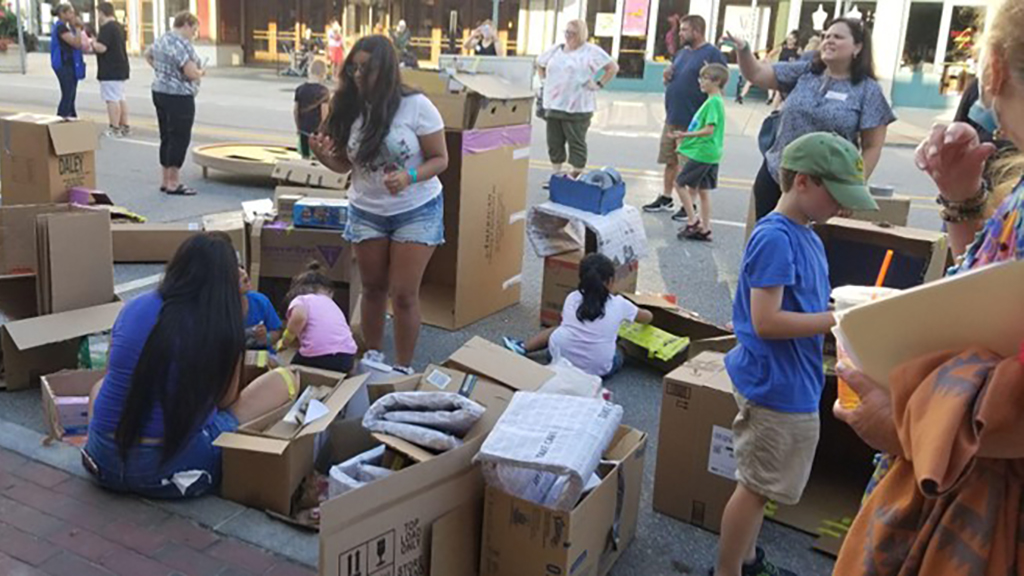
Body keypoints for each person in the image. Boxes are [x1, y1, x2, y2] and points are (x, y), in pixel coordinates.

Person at [832, 0, 1024, 570]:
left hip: (979, 513)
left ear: (990, 69)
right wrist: (962, 197)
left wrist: (903, 424)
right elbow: (992, 296)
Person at [716, 133, 878, 576]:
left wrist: (836, 315)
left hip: (792, 379)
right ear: (803, 181)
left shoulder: (806, 234)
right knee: (754, 489)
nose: (843, 208)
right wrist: (839, 319)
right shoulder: (776, 238)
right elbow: (767, 321)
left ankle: (747, 561)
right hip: (775, 385)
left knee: (761, 488)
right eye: (837, 196)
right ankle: (729, 570)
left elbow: (800, 307)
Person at [83, 234, 296, 498]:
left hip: (102, 461)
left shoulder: (134, 307)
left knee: (100, 386)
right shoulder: (220, 323)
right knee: (284, 380)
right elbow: (225, 400)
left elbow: (117, 374)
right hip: (173, 471)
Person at [309, 35, 448, 375]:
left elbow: (440, 159)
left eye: (366, 69)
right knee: (372, 288)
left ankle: (402, 366)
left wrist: (409, 176)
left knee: (403, 294)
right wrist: (322, 156)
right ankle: (373, 356)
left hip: (417, 209)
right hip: (367, 210)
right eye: (354, 68)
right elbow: (345, 165)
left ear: (385, 70)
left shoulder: (416, 106)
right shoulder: (347, 105)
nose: (358, 75)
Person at [726, 18, 896, 222]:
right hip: (776, 177)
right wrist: (744, 50)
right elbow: (756, 74)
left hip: (823, 189)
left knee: (804, 250)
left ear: (858, 47)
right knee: (770, 244)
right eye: (826, 36)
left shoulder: (868, 90)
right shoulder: (806, 72)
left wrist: (853, 186)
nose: (829, 40)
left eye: (838, 37)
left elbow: (872, 146)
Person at [502, 253, 653, 378]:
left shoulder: (572, 298)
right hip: (597, 369)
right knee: (621, 349)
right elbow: (647, 317)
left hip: (558, 358)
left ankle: (523, 347)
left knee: (557, 329)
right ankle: (620, 351)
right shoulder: (620, 304)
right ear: (611, 281)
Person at [643, 14, 727, 219]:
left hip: (693, 120)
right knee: (670, 159)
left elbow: (721, 84)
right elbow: (673, 78)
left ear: (696, 31)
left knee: (688, 165)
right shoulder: (681, 53)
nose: (680, 33)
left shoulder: (712, 54)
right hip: (673, 115)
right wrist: (666, 77)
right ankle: (666, 197)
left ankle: (690, 205)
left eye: (684, 29)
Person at [536, 19, 619, 178]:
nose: (568, 36)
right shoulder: (556, 49)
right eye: (566, 32)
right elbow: (540, 63)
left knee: (576, 142)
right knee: (554, 142)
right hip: (554, 104)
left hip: (578, 106)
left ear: (581, 34)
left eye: (572, 33)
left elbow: (612, 68)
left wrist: (598, 84)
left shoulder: (591, 51)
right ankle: (557, 174)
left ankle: (576, 174)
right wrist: (544, 82)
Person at [146, 11, 204, 196]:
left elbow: (148, 55)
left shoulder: (162, 39)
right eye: (193, 30)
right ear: (186, 24)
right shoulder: (181, 44)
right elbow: (190, 72)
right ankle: (173, 182)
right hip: (179, 95)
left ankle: (164, 180)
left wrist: (162, 71)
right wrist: (201, 73)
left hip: (159, 91)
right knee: (179, 138)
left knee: (166, 136)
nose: (193, 35)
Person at [673, 63, 729, 242]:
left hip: (703, 152)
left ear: (717, 81)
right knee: (704, 191)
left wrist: (684, 134)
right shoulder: (716, 100)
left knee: (680, 183)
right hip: (712, 152)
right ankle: (706, 228)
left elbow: (709, 129)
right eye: (701, 78)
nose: (701, 82)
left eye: (705, 78)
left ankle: (693, 220)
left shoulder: (713, 102)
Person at [277, 262, 358, 373]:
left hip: (318, 356)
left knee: (291, 372)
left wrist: (285, 340)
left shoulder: (301, 300)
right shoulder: (332, 304)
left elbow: (299, 318)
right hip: (347, 356)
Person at [93, 2, 131, 138]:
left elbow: (102, 48)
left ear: (102, 13)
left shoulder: (106, 28)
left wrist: (92, 43)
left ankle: (114, 127)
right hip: (121, 66)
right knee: (120, 97)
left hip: (110, 68)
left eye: (98, 13)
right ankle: (124, 125)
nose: (97, 16)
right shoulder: (119, 26)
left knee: (111, 99)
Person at [50, 3, 85, 118]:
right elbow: (76, 43)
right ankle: (61, 116)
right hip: (63, 64)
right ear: (62, 14)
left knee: (71, 93)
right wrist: (78, 28)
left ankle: (71, 116)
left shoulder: (66, 27)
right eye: (70, 12)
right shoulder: (61, 28)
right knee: (68, 93)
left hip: (70, 64)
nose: (73, 15)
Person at [294, 59, 331, 159]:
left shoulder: (300, 89)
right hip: (317, 132)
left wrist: (298, 126)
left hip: (303, 129)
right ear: (323, 74)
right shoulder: (323, 91)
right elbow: (325, 114)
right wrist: (325, 130)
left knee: (304, 156)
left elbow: (296, 111)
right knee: (317, 158)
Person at [239, 267, 282, 350]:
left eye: (248, 279)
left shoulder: (260, 301)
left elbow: (276, 331)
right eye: (245, 281)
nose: (248, 283)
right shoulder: (219, 307)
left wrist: (266, 338)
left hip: (260, 353)